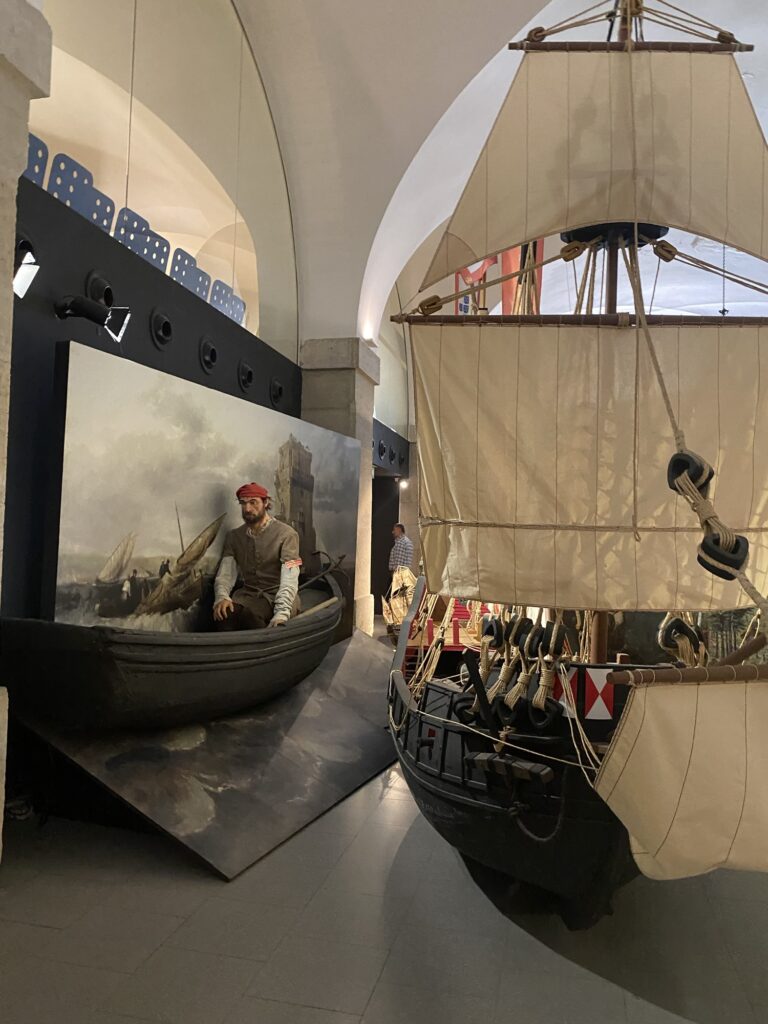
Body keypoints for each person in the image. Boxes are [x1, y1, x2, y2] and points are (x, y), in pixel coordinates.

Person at [213, 482, 302, 630]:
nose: (247, 508)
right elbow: (225, 574)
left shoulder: (287, 534)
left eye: (253, 502)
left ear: (265, 503)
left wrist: (282, 612)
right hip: (248, 597)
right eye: (243, 503)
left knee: (257, 623)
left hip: (279, 597)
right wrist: (222, 597)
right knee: (224, 615)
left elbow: (290, 577)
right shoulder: (234, 537)